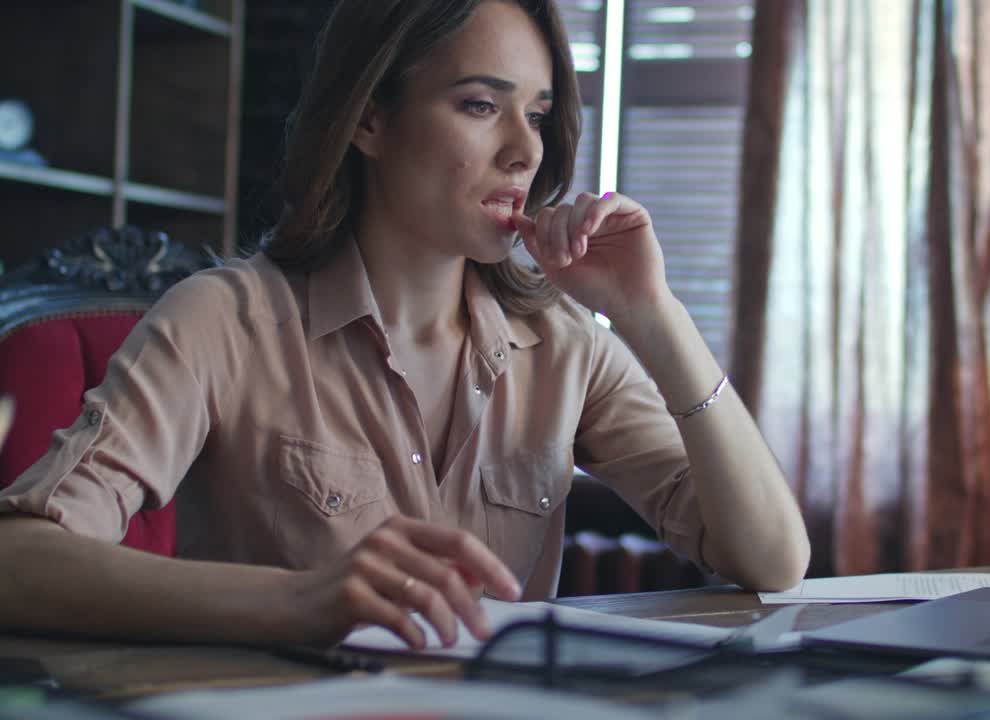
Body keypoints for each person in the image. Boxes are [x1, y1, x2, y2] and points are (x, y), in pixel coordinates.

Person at [0, 0, 809, 651]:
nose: (525, 150)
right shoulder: (226, 320)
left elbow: (772, 558)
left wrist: (651, 312)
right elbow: (16, 563)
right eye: (481, 105)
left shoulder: (567, 348)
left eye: (538, 113)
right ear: (370, 121)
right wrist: (301, 601)